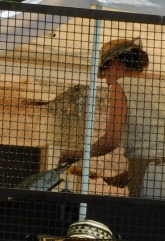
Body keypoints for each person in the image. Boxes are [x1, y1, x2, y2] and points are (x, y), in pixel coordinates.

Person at [59, 38, 165, 199]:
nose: (108, 81)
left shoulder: (121, 85)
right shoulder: (160, 86)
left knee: (143, 221)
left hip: (147, 174)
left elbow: (110, 141)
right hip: (156, 173)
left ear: (116, 63)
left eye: (106, 73)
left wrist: (76, 154)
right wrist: (131, 172)